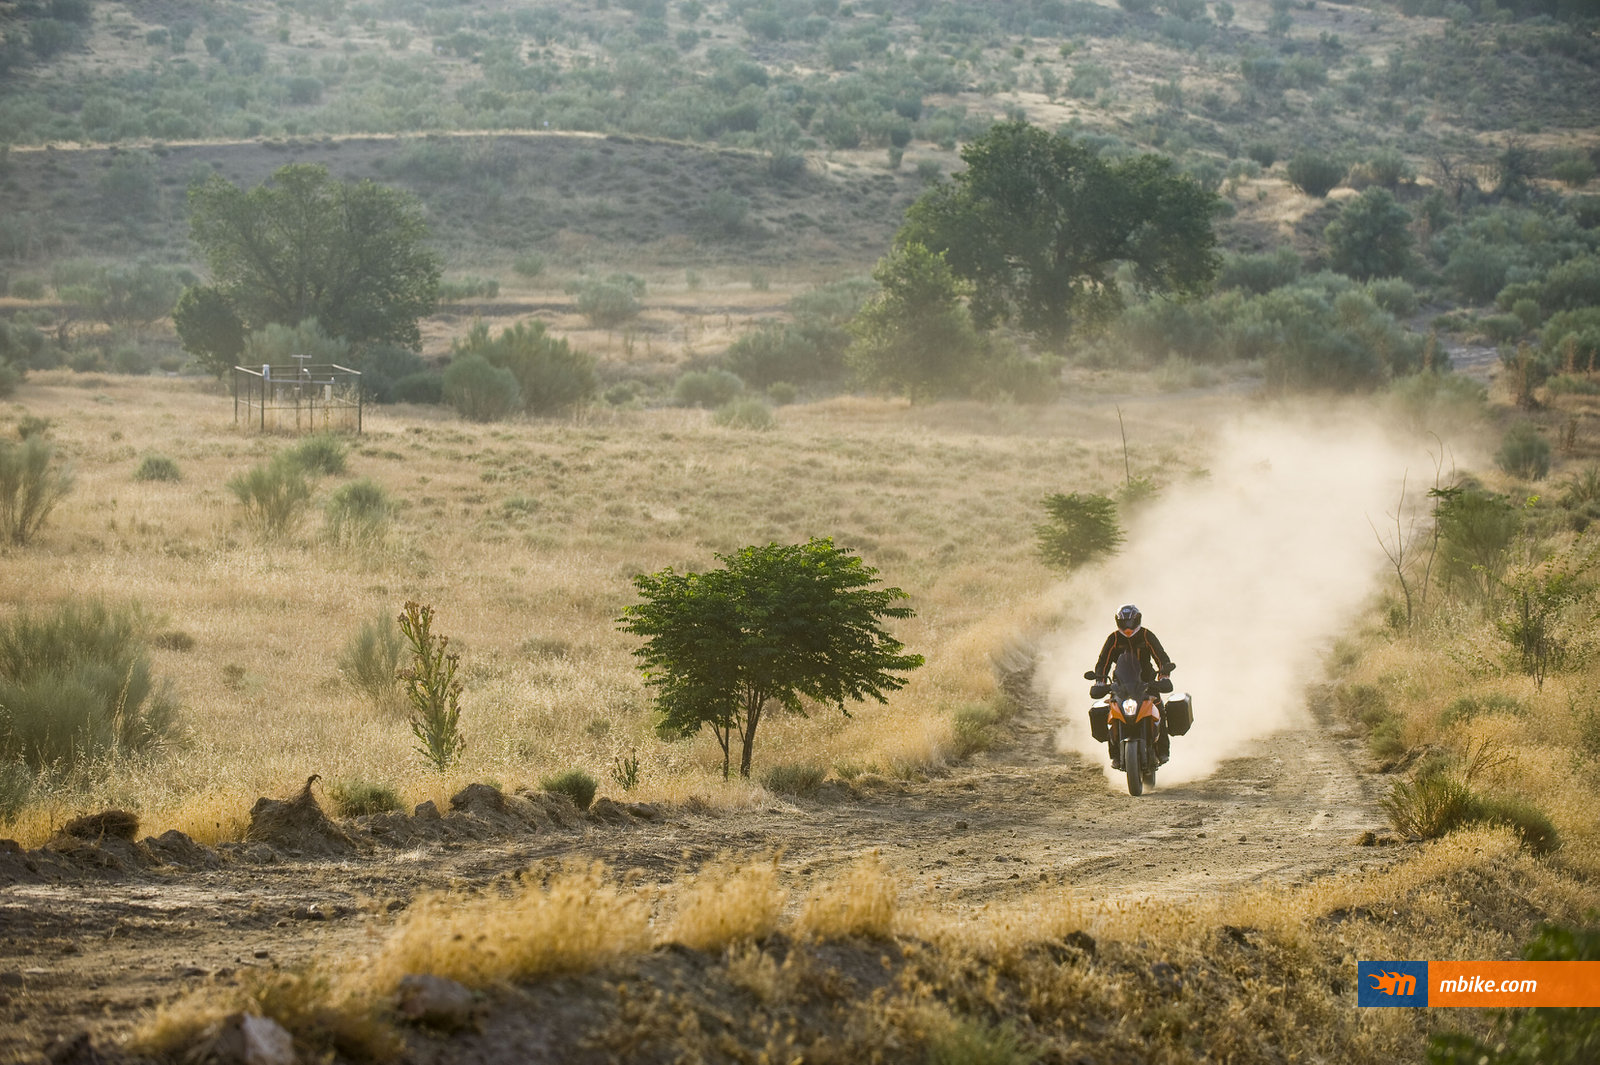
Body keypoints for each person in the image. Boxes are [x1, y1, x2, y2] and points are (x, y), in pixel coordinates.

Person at [1092, 604, 1175, 768]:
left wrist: (1163, 675)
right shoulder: (1114, 638)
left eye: (1131, 622)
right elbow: (1103, 662)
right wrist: (1100, 680)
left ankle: (1162, 751)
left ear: (1137, 620)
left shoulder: (1146, 635)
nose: (1128, 627)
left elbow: (1161, 656)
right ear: (1118, 622)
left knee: (1160, 709)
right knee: (1111, 712)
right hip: (1121, 684)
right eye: (1124, 622)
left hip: (1147, 682)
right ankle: (1115, 755)